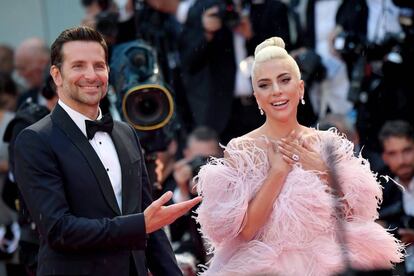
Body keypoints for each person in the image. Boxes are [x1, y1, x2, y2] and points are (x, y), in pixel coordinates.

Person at [194, 36, 403, 275]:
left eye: (284, 80)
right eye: (264, 84)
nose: (276, 91)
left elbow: (355, 215)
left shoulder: (328, 142)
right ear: (256, 96)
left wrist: (322, 169)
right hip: (264, 267)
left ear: (300, 87)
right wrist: (277, 173)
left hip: (330, 263)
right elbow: (247, 231)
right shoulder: (243, 149)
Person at [13, 26, 201, 276]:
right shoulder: (35, 140)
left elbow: (151, 225)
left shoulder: (126, 134)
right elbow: (58, 229)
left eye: (99, 66)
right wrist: (138, 225)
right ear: (57, 75)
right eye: (78, 66)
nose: (91, 75)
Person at [378, 120, 414, 275]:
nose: (402, 161)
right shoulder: (382, 190)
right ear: (384, 157)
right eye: (393, 153)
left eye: (407, 151)